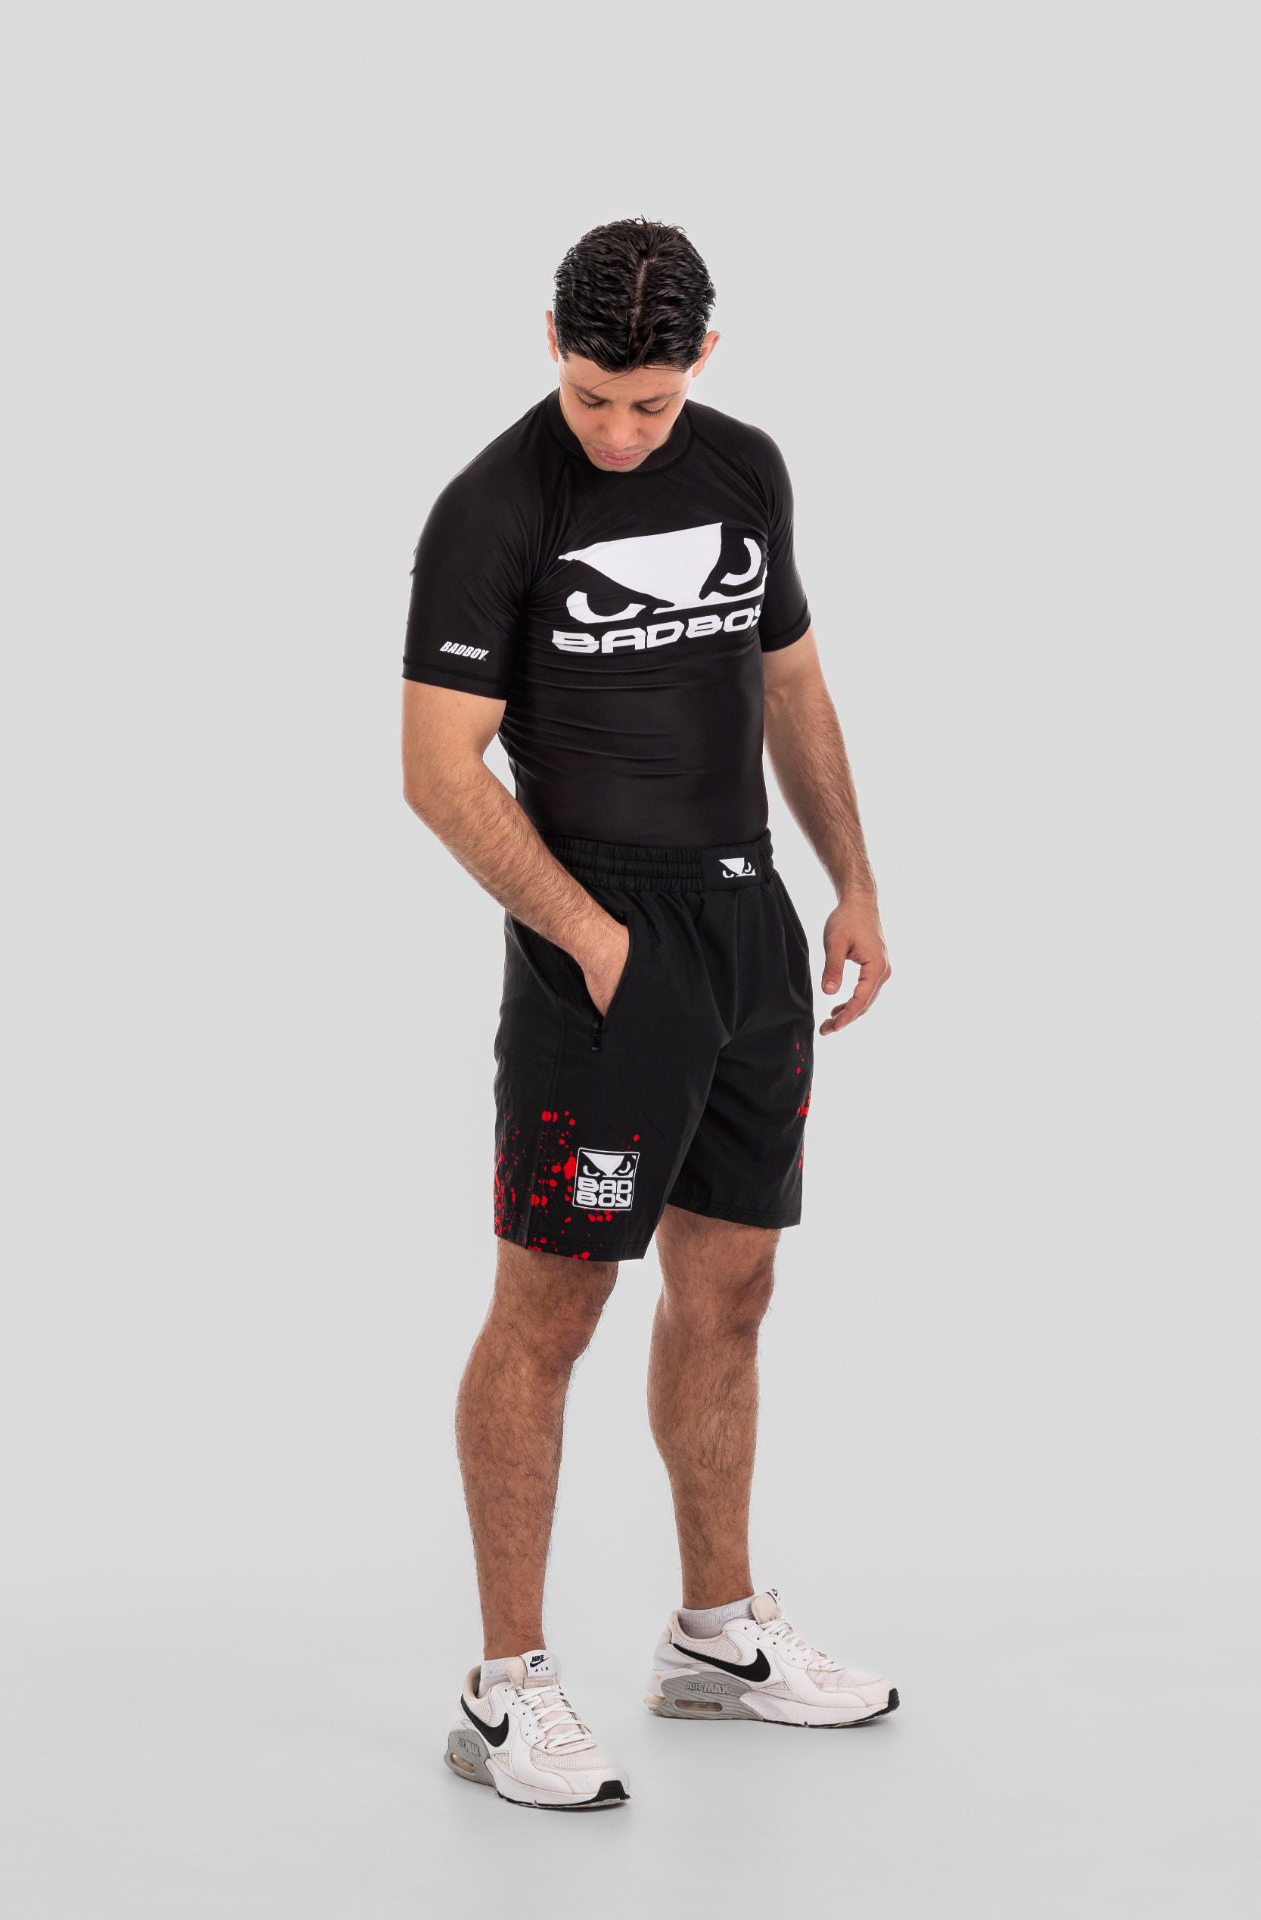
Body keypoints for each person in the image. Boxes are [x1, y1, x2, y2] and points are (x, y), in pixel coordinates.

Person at [401, 218, 896, 1812]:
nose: (619, 432)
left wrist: (851, 882)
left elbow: (790, 684)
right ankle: (503, 1686)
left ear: (704, 365)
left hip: (748, 924)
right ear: (550, 346)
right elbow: (437, 771)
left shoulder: (744, 468)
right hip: (599, 942)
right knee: (550, 1312)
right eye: (594, 396)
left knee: (732, 1291)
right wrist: (594, 943)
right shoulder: (496, 507)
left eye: (650, 404)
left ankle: (715, 1638)